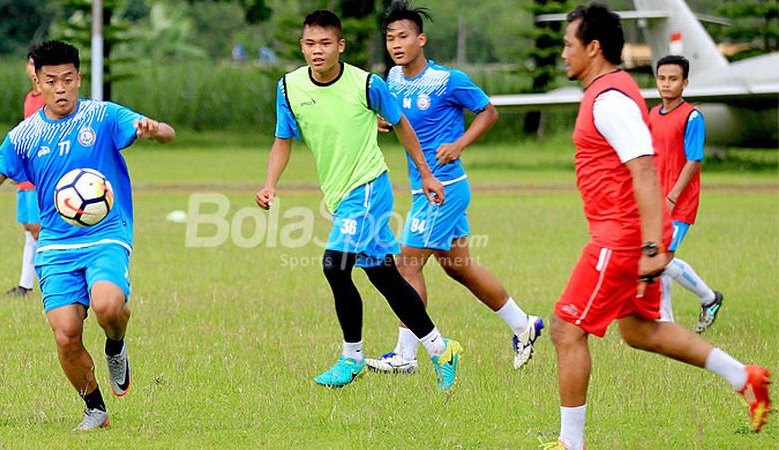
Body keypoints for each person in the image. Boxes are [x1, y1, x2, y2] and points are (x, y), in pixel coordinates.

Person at [544, 5, 770, 448]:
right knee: (640, 332)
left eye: (569, 44)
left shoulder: (608, 98)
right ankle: (745, 377)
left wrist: (652, 245)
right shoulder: (608, 91)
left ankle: (570, 445)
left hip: (619, 237)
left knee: (566, 329)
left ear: (593, 48)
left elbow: (645, 170)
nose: (563, 54)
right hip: (627, 235)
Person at [0, 40, 176, 431]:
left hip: (105, 234)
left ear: (79, 79)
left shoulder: (102, 116)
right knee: (66, 335)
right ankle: (95, 409)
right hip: (56, 244)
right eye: (52, 81)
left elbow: (167, 132)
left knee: (108, 307)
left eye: (68, 79)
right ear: (38, 82)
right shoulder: (24, 137)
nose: (61, 88)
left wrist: (154, 130)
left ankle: (115, 345)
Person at [255, 10, 463, 391]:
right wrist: (270, 184)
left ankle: (351, 358)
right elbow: (282, 140)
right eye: (309, 44)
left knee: (334, 266)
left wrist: (427, 172)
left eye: (325, 44)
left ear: (340, 46)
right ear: (302, 46)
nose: (317, 52)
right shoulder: (288, 87)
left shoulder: (366, 84)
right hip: (339, 194)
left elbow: (400, 123)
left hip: (368, 187)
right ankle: (440, 348)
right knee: (386, 278)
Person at [365, 0, 544, 375]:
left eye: (403, 36)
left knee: (406, 264)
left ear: (421, 39)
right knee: (459, 267)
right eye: (390, 38)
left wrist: (460, 144)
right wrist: (385, 121)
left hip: (444, 189)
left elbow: (489, 112)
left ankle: (406, 355)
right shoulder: (393, 81)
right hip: (421, 187)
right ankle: (523, 324)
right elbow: (402, 118)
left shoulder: (447, 80)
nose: (395, 44)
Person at [649, 54, 722, 331]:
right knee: (658, 256)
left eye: (673, 79)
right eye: (662, 78)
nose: (666, 84)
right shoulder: (653, 114)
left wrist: (672, 197)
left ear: (685, 82)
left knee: (661, 258)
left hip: (679, 202)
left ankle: (709, 298)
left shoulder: (692, 117)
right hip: (657, 200)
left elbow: (693, 160)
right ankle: (665, 319)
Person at [4, 45, 46, 298]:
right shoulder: (30, 99)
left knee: (37, 228)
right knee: (30, 231)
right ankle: (25, 285)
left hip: (39, 175)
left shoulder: (50, 99)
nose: (34, 69)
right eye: (31, 63)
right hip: (26, 175)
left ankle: (49, 284)